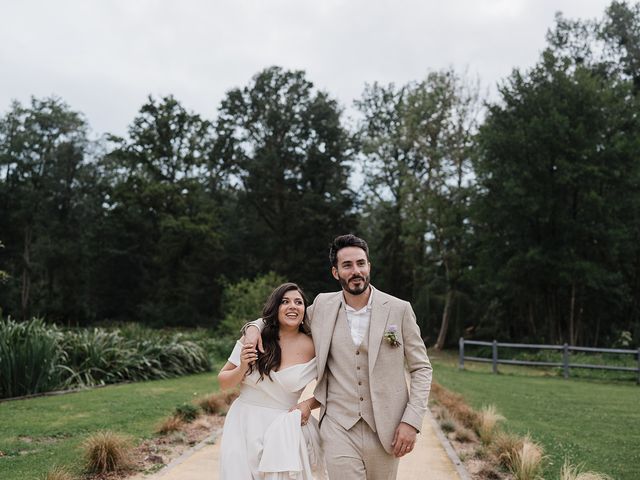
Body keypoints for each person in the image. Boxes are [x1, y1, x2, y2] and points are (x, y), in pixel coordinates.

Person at [244, 234, 432, 480]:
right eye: (347, 265)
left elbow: (421, 368)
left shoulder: (399, 309)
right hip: (338, 427)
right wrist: (253, 327)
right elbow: (286, 317)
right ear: (335, 272)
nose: (356, 271)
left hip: (387, 427)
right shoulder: (323, 306)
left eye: (361, 263)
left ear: (369, 266)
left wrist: (411, 421)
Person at [218, 282, 325, 480]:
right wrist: (242, 366)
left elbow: (330, 389)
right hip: (243, 422)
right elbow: (223, 382)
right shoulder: (254, 338)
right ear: (276, 308)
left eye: (298, 302)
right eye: (285, 301)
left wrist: (307, 404)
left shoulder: (314, 345)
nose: (292, 306)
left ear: (304, 310)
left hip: (285, 426)